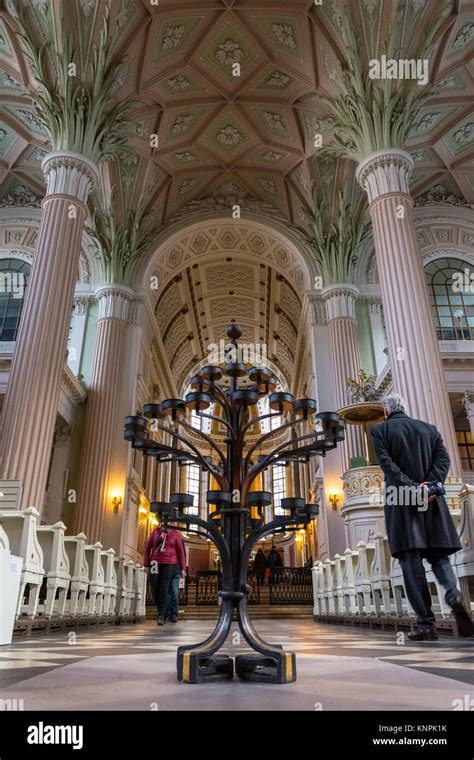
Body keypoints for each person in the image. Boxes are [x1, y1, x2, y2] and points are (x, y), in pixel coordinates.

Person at [372, 393, 473, 641]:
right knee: (439, 557)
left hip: (401, 500)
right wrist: (429, 486)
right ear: (403, 407)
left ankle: (427, 625)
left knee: (410, 560)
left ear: (386, 411)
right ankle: (453, 594)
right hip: (431, 499)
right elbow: (444, 460)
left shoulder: (380, 431)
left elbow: (388, 467)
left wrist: (411, 488)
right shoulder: (429, 429)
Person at [144, 521, 186, 626]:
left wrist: (183, 568)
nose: (169, 523)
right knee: (155, 588)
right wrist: (146, 564)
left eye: (171, 521)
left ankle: (161, 615)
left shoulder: (176, 534)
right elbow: (147, 548)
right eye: (167, 521)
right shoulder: (156, 532)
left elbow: (181, 552)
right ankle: (161, 611)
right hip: (155, 562)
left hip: (170, 563)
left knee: (164, 587)